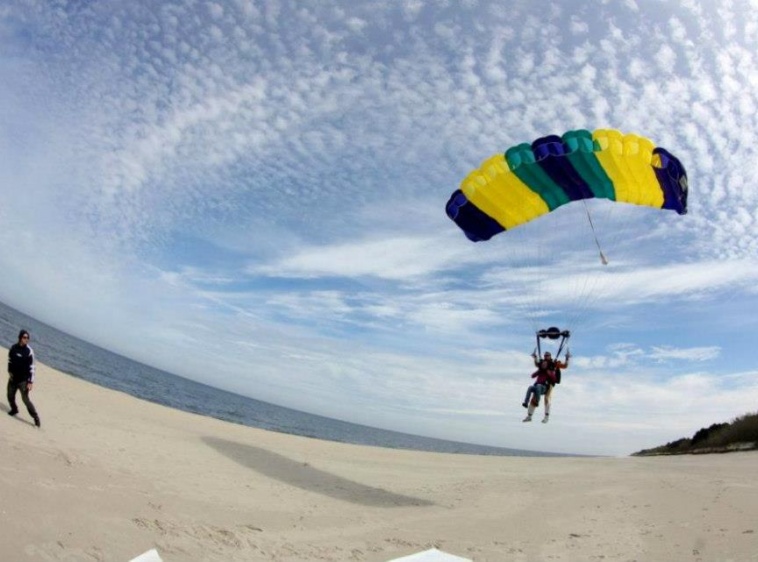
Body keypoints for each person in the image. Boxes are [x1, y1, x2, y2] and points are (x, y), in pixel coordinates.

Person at [522, 350, 569, 423]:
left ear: (550, 356)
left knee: (547, 398)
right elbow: (536, 365)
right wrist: (535, 358)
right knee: (533, 398)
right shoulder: (542, 363)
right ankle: (529, 416)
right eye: (545, 355)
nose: (546, 356)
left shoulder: (554, 363)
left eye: (547, 355)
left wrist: (567, 358)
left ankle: (546, 417)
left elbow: (565, 366)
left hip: (549, 384)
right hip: (539, 384)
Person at [7, 329, 40, 427]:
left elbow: (32, 367)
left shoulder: (29, 351)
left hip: (23, 381)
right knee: (10, 396)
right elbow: (10, 361)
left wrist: (30, 381)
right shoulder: (13, 348)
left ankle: (36, 417)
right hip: (13, 379)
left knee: (25, 400)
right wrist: (9, 371)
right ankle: (14, 409)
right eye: (24, 337)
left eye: (27, 338)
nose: (26, 340)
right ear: (20, 338)